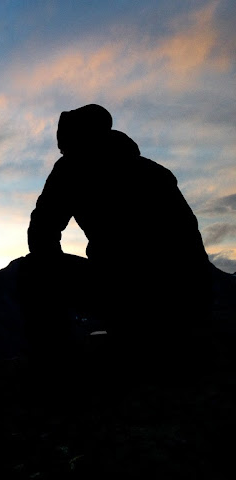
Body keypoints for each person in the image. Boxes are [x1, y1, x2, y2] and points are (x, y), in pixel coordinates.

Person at [24, 104, 213, 377]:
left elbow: (42, 232)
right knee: (39, 268)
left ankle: (58, 369)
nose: (62, 151)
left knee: (35, 271)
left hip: (151, 295)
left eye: (65, 144)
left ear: (83, 139)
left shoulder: (76, 171)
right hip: (163, 296)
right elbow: (43, 230)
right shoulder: (150, 172)